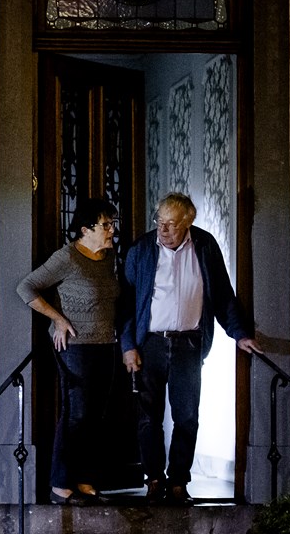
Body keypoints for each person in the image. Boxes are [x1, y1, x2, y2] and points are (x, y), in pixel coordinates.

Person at [120, 193, 261, 505]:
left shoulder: (205, 246)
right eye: (160, 222)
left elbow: (223, 295)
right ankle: (154, 480)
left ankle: (179, 482)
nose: (164, 230)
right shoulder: (141, 250)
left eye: (172, 224)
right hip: (150, 344)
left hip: (189, 343)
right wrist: (128, 346)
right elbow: (126, 304)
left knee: (187, 416)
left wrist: (239, 334)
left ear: (188, 224)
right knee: (148, 418)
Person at [17, 198, 121, 505]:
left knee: (96, 416)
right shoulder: (68, 257)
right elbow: (26, 287)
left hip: (106, 344)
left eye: (112, 224)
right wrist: (58, 319)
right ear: (85, 229)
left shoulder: (108, 257)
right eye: (106, 225)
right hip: (76, 347)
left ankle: (85, 479)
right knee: (76, 415)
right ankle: (61, 484)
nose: (111, 230)